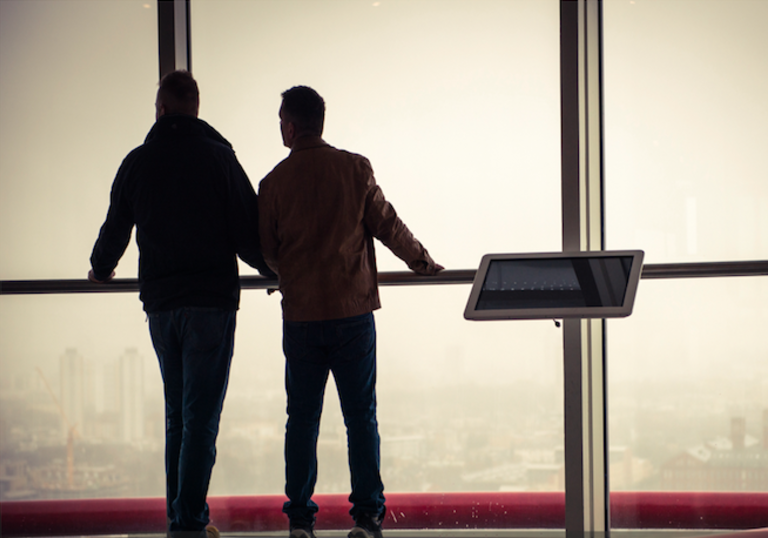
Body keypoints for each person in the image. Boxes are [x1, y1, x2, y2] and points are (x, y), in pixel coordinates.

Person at [89, 70, 273, 538]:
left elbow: (115, 229)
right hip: (210, 304)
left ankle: (182, 519)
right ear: (195, 107)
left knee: (177, 417)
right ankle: (189, 522)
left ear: (163, 108)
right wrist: (275, 272)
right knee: (200, 419)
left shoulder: (138, 162)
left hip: (162, 306)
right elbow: (247, 232)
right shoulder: (219, 158)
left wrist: (100, 268)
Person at [258, 85, 444, 538]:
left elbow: (268, 253)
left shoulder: (273, 184)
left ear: (290, 124)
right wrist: (422, 262)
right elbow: (388, 225)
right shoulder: (354, 169)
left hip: (301, 317)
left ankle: (300, 518)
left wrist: (292, 274)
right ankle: (366, 517)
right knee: (360, 416)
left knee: (301, 419)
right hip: (352, 314)